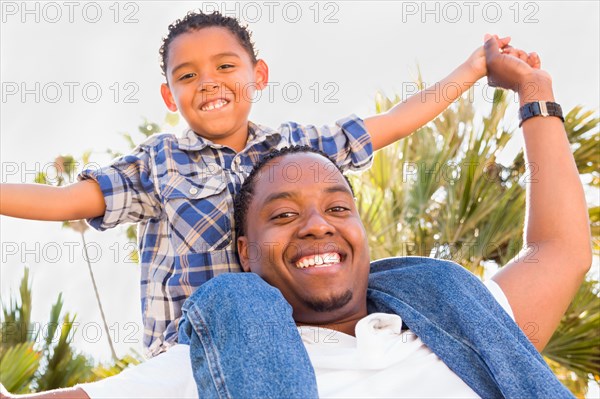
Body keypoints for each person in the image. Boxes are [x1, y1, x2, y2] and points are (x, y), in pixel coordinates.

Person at [3, 35, 591, 397]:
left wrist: (479, 75)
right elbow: (61, 200)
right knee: (240, 302)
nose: (207, 81)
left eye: (225, 67)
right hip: (210, 347)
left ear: (258, 76)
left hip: (333, 317)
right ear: (169, 97)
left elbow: (390, 123)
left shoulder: (298, 148)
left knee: (427, 281)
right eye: (187, 76)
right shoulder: (158, 165)